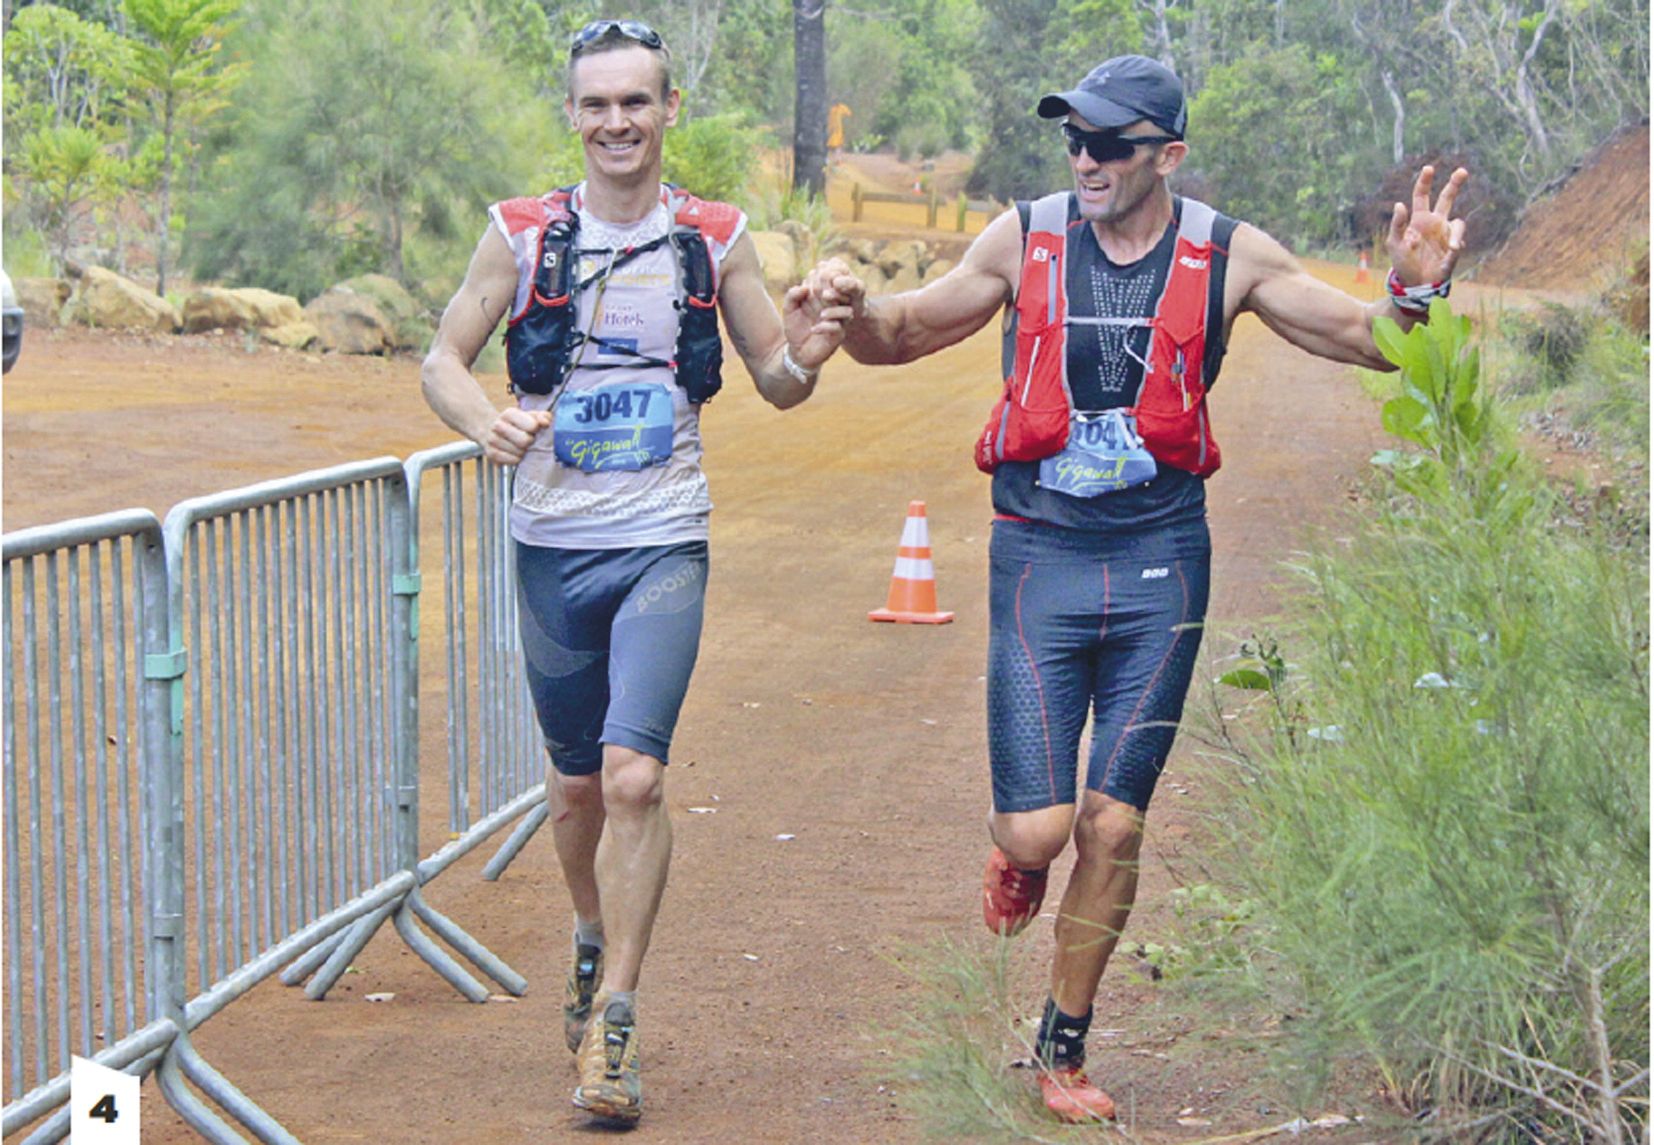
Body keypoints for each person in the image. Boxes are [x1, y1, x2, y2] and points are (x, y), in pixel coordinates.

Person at [802, 54, 1467, 1123]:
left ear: (1168, 153)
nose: (1086, 157)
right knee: (1037, 831)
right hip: (1039, 554)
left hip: (1161, 559)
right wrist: (848, 311)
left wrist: (1417, 286)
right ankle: (1015, 856)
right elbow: (910, 329)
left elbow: (1371, 342)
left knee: (1113, 825)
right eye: (1074, 138)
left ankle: (1061, 1043)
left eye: (1110, 142)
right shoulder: (1023, 236)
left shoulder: (1226, 251)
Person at [420, 18, 850, 1127]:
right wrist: (483, 422)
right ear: (573, 115)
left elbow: (777, 379)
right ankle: (593, 932)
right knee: (571, 789)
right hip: (551, 546)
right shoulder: (517, 235)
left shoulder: (715, 238)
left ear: (668, 112)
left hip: (662, 536)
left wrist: (813, 342)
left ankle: (614, 1021)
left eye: (636, 102)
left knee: (631, 778)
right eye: (597, 104)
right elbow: (441, 358)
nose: (617, 121)